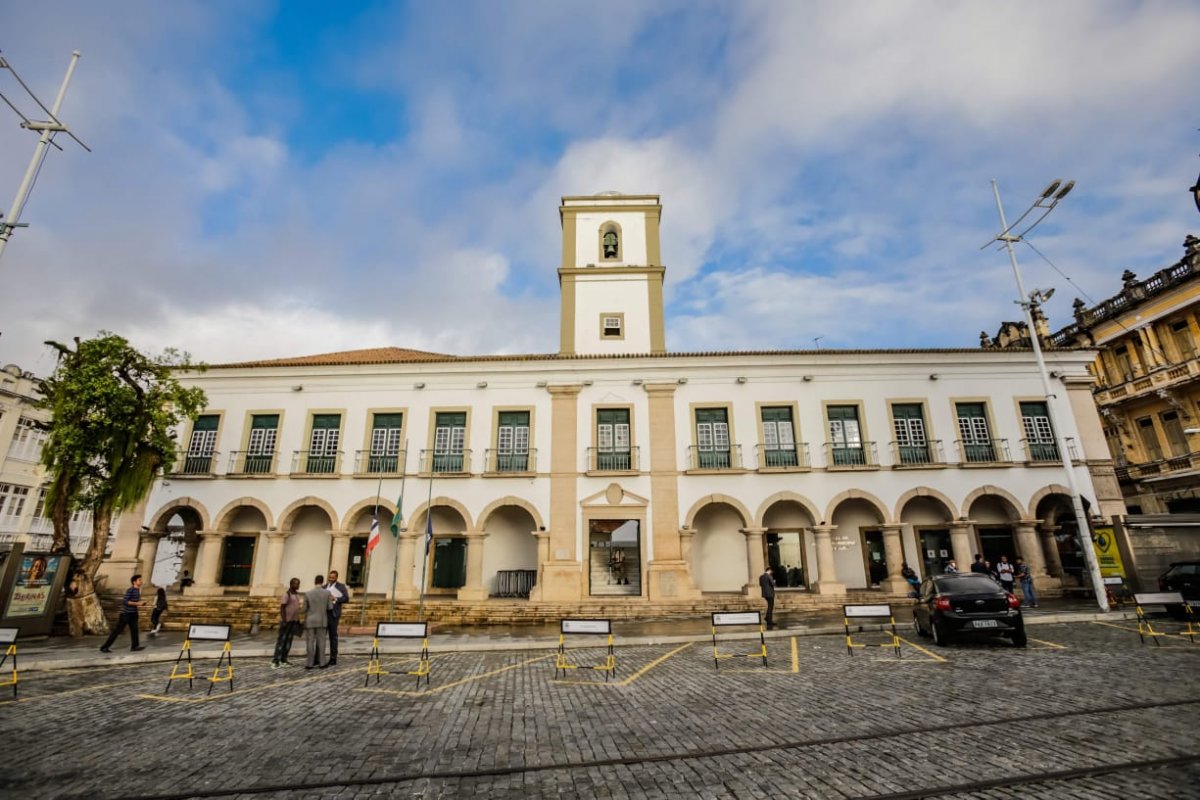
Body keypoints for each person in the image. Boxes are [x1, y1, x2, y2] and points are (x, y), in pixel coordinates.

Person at [100, 574, 146, 653]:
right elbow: (125, 601)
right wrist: (138, 604)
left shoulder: (138, 590)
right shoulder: (130, 590)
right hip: (126, 614)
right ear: (134, 582)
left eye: (141, 580)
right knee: (117, 631)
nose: (141, 581)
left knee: (134, 630)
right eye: (139, 580)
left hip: (134, 614)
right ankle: (104, 647)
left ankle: (135, 646)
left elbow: (134, 601)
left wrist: (141, 603)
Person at [302, 574, 333, 669]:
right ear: (322, 582)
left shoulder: (307, 593)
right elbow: (330, 607)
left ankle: (309, 663)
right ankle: (322, 662)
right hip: (322, 619)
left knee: (310, 641)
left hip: (310, 620)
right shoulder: (327, 593)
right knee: (321, 641)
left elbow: (304, 609)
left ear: (314, 581)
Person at [272, 577, 302, 668]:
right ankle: (275, 661)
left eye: (298, 583)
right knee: (281, 641)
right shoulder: (287, 594)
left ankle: (284, 659)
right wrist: (284, 620)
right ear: (291, 584)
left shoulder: (297, 595)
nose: (297, 585)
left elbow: (296, 608)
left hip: (293, 621)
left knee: (289, 641)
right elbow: (282, 608)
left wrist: (298, 620)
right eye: (296, 583)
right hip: (286, 621)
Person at [323, 569, 349, 666]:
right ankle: (319, 658)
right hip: (324, 613)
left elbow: (346, 598)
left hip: (333, 614)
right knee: (321, 636)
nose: (331, 579)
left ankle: (333, 658)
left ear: (336, 578)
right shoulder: (324, 587)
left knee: (333, 636)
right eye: (330, 577)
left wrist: (336, 598)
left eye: (333, 578)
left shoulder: (341, 587)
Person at [759, 564, 776, 628]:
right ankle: (769, 620)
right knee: (770, 607)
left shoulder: (761, 576)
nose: (771, 572)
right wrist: (774, 581)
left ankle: (767, 617)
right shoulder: (769, 576)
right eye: (771, 571)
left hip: (765, 594)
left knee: (769, 606)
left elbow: (761, 584)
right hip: (770, 593)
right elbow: (773, 584)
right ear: (769, 570)